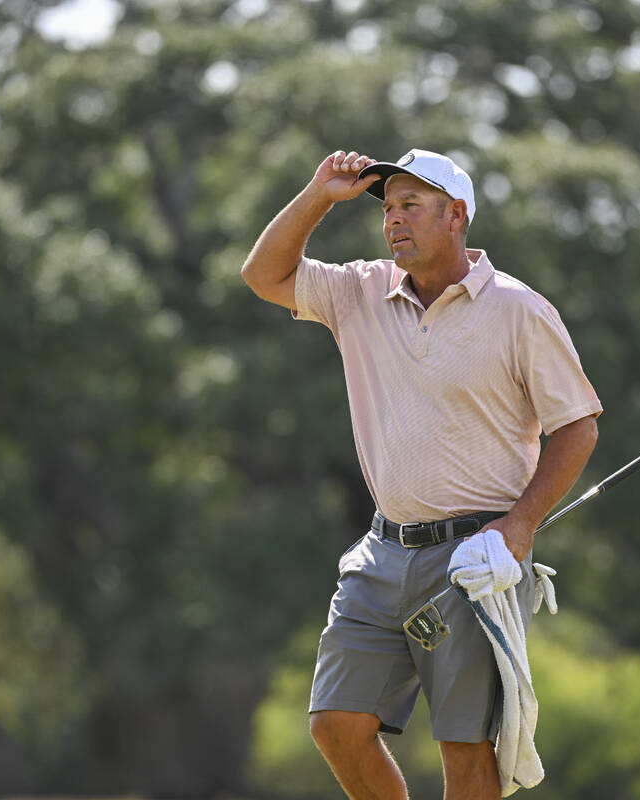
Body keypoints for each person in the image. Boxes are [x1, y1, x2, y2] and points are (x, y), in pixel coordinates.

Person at [241, 148, 602, 800]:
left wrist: (520, 527)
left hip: (476, 557)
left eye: (411, 205)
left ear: (456, 215)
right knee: (336, 724)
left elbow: (578, 425)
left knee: (466, 752)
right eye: (388, 207)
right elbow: (262, 274)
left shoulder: (519, 310)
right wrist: (319, 195)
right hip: (383, 552)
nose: (393, 221)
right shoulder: (360, 291)